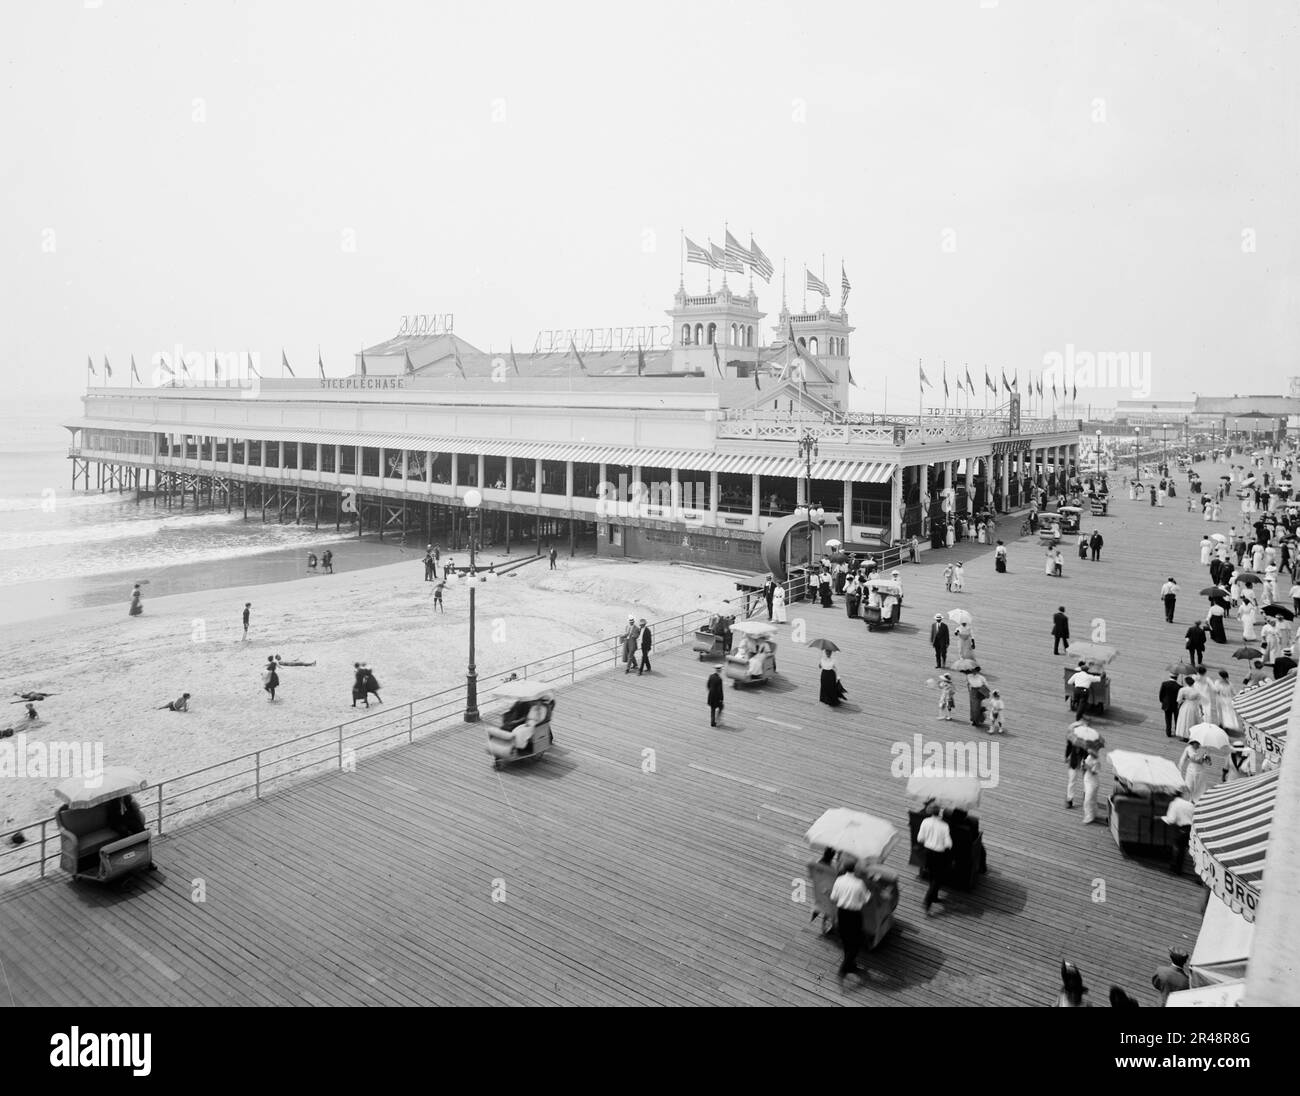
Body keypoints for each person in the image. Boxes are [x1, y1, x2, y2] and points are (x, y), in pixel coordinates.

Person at [830, 861, 870, 980]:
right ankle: (844, 967)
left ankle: (850, 965)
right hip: (854, 915)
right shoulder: (859, 883)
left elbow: (833, 898)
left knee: (846, 939)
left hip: (842, 913)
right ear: (855, 870)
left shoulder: (839, 880)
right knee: (857, 942)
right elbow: (866, 900)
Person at [916, 803, 952, 913]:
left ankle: (934, 897)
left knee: (932, 874)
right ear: (939, 813)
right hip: (939, 854)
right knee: (938, 878)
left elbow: (920, 839)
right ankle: (928, 900)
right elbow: (948, 844)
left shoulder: (925, 822)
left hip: (927, 852)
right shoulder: (944, 826)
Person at [1178, 738, 1214, 803]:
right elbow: (1183, 759)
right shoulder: (1188, 749)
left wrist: (1207, 758)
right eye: (1196, 743)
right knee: (1189, 786)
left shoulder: (1203, 750)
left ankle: (1195, 801)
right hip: (1190, 770)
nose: (1198, 745)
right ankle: (1191, 799)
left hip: (1200, 771)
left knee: (1198, 787)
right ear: (1193, 743)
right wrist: (1180, 767)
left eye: (1198, 743)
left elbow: (1209, 764)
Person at [1081, 746, 1104, 824]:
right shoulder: (1089, 757)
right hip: (1087, 780)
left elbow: (1094, 772)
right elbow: (1085, 767)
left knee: (1088, 799)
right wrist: (1083, 765)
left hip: (1093, 782)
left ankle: (1089, 816)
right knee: (1092, 799)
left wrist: (1087, 767)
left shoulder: (1097, 762)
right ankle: (1093, 814)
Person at [1158, 670, 1181, 737]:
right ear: (1177, 678)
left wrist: (1162, 701)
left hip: (1167, 704)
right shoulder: (1179, 686)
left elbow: (1161, 694)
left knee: (1168, 719)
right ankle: (1177, 731)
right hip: (1176, 705)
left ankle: (1168, 732)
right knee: (1176, 719)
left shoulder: (1164, 684)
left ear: (1170, 676)